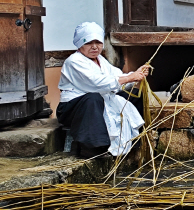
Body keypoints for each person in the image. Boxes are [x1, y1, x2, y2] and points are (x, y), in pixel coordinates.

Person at [57, 22, 150, 158]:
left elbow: (117, 76)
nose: (95, 47)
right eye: (89, 43)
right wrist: (129, 78)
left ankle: (133, 141)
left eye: (98, 43)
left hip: (99, 101)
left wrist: (135, 76)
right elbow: (97, 84)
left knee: (134, 94)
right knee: (93, 98)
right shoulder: (74, 62)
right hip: (73, 109)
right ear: (79, 44)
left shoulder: (100, 59)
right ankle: (94, 148)